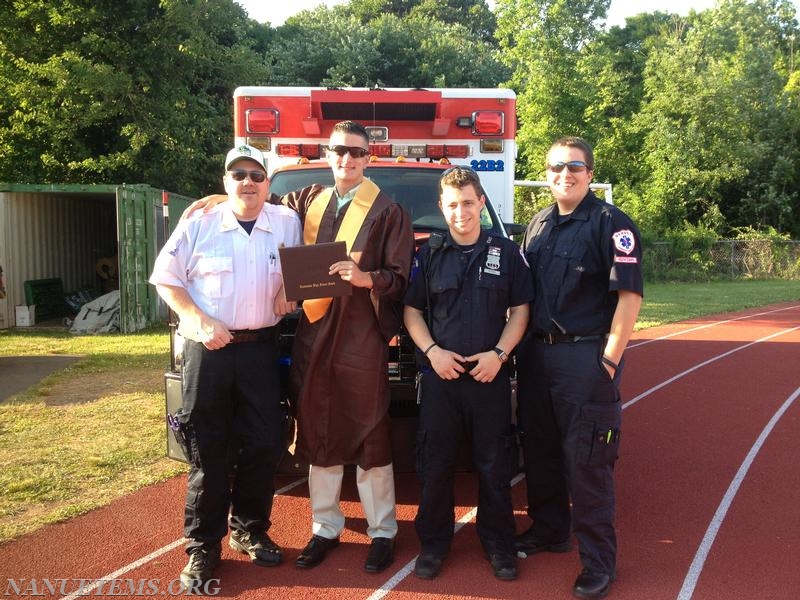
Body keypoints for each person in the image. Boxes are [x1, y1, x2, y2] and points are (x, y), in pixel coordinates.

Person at [187, 121, 415, 574]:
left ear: (368, 157)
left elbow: (400, 276)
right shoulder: (307, 199)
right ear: (327, 154)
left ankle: (383, 529)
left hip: (360, 336)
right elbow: (256, 202)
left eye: (355, 152)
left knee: (370, 429)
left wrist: (368, 278)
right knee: (317, 426)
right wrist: (222, 198)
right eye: (338, 151)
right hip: (311, 334)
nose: (346, 159)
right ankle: (325, 526)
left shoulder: (389, 212)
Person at [149, 144, 302, 588]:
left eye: (257, 175)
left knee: (265, 443)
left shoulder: (287, 223)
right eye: (239, 175)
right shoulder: (199, 224)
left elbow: (304, 271)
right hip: (208, 351)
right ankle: (202, 547)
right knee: (208, 451)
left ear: (269, 183)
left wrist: (291, 292)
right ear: (225, 181)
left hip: (261, 350)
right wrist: (196, 320)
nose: (248, 183)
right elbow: (165, 278)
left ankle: (249, 530)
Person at [514, 137, 643, 600]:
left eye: (574, 166)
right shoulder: (539, 224)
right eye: (555, 167)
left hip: (584, 357)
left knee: (588, 462)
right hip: (536, 356)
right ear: (545, 173)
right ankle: (549, 530)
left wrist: (608, 360)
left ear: (590, 172)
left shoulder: (612, 224)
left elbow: (629, 297)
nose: (564, 174)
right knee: (541, 450)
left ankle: (598, 562)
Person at [402, 166, 534, 581]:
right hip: (441, 379)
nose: (461, 212)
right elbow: (411, 311)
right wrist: (432, 351)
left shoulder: (506, 252)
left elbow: (521, 311)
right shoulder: (428, 254)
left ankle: (499, 546)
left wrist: (499, 354)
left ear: (481, 203)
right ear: (442, 207)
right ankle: (434, 546)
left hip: (488, 378)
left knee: (495, 467)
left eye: (468, 203)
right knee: (435, 466)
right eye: (452, 205)